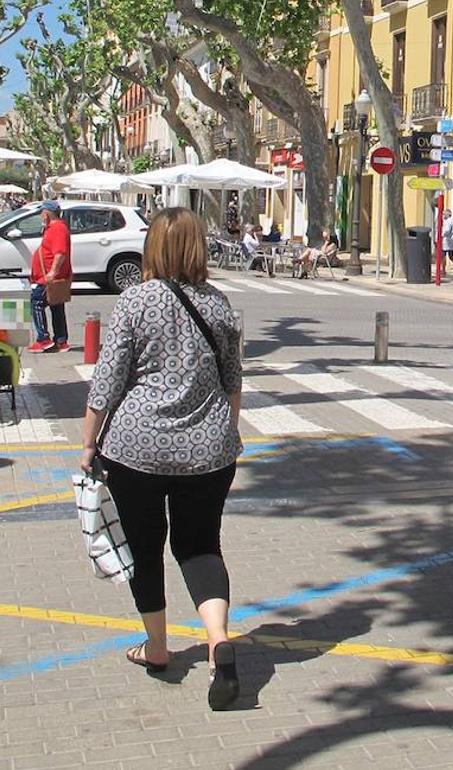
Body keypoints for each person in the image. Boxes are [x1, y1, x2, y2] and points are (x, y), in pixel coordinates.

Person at [79, 207, 244, 711]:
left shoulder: (134, 301)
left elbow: (107, 382)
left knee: (144, 550)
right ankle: (218, 640)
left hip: (138, 448)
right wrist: (228, 434)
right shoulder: (219, 304)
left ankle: (156, 648)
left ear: (153, 247)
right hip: (208, 450)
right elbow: (233, 380)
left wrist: (88, 443)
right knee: (200, 546)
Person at [28, 200, 71, 354]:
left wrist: (52, 272)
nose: (41, 216)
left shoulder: (57, 228)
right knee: (56, 306)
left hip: (49, 278)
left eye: (42, 213)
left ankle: (43, 338)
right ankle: (60, 340)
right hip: (51, 277)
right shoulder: (54, 228)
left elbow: (60, 253)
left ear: (46, 214)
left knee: (36, 303)